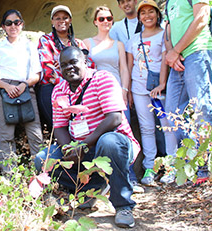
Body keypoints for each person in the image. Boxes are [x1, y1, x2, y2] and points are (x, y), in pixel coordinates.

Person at [34, 46, 140, 228]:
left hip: (114, 145)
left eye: (73, 62)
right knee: (43, 159)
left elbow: (115, 118)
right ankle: (91, 188)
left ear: (84, 62)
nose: (69, 68)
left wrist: (83, 145)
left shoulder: (102, 78)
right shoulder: (59, 89)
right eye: (64, 65)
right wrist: (70, 149)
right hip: (82, 150)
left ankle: (123, 205)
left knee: (109, 142)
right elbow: (59, 127)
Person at [161, 0, 212, 184]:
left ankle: (211, 166)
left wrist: (177, 51)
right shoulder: (171, 0)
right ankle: (192, 161)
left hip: (198, 53)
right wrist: (171, 54)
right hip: (178, 62)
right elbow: (168, 32)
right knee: (173, 112)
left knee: (202, 107)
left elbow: (201, 19)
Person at [0, 9, 44, 174]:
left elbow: (37, 74)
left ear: (22, 24)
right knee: (6, 136)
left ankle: (41, 175)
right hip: (4, 90)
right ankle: (9, 178)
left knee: (35, 134)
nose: (13, 26)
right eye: (9, 23)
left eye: (16, 22)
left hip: (26, 88)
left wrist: (24, 84)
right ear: (3, 26)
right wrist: (7, 86)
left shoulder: (29, 46)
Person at [126, 0, 171, 186]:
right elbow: (129, 67)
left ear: (157, 14)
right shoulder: (134, 40)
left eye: (151, 12)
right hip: (139, 88)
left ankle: (172, 166)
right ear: (139, 17)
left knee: (168, 126)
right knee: (146, 128)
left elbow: (165, 59)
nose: (147, 16)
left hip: (160, 89)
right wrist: (128, 91)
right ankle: (149, 167)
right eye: (143, 13)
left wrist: (161, 84)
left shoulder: (164, 36)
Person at [36, 5, 91, 132]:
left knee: (80, 127)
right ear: (52, 21)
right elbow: (47, 69)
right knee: (60, 128)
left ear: (70, 20)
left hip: (78, 90)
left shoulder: (78, 44)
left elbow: (89, 66)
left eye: (65, 18)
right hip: (52, 89)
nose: (62, 21)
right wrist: (65, 78)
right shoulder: (46, 41)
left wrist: (59, 68)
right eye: (57, 18)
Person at [83, 6, 130, 105]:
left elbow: (124, 69)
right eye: (101, 19)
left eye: (109, 18)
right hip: (95, 92)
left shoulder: (119, 45)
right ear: (95, 22)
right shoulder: (87, 43)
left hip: (116, 89)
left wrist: (124, 90)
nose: (106, 21)